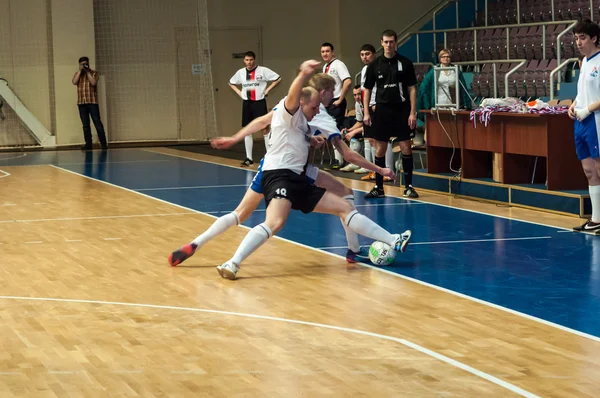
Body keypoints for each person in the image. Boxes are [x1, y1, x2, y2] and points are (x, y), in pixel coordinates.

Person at [168, 73, 397, 267]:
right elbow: (347, 154)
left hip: (269, 165)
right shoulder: (321, 115)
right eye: (333, 91)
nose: (335, 96)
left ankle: (197, 243)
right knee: (339, 197)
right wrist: (380, 169)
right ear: (323, 93)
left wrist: (235, 138)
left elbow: (261, 122)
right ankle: (353, 250)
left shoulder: (287, 105)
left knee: (239, 214)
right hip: (294, 171)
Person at [214, 60, 411, 280]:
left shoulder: (305, 118)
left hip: (300, 175)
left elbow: (266, 122)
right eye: (315, 107)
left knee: (345, 204)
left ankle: (390, 240)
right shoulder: (292, 110)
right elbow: (293, 98)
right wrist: (302, 73)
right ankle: (232, 263)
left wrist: (311, 138)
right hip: (280, 175)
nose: (318, 110)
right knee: (274, 222)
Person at [363, 29, 419, 199]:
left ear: (396, 43)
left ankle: (408, 186)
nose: (388, 45)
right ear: (381, 43)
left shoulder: (405, 63)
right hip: (382, 110)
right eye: (386, 42)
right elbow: (367, 89)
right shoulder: (374, 65)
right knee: (380, 149)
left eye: (391, 42)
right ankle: (378, 187)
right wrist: (366, 112)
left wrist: (412, 112)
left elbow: (412, 88)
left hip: (402, 110)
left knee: (406, 147)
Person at [568, 19, 600, 234]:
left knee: (599, 168)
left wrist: (588, 109)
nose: (578, 42)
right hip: (581, 122)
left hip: (596, 120)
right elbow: (582, 91)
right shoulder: (584, 62)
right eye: (576, 38)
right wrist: (574, 104)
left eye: (582, 38)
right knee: (589, 171)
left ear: (594, 38)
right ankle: (596, 219)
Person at [229, 51, 281, 166]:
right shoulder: (241, 73)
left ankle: (269, 156)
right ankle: (249, 158)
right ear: (244, 61)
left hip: (259, 102)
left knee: (265, 128)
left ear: (254, 60)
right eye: (247, 60)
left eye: (251, 60)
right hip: (247, 103)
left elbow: (277, 78)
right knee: (248, 130)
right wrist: (239, 92)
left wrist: (267, 90)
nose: (249, 62)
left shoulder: (262, 70)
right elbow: (231, 83)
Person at [321, 42, 352, 169]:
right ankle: (337, 159)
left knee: (336, 130)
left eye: (327, 51)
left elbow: (348, 81)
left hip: (336, 102)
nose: (325, 54)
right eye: (322, 52)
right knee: (330, 130)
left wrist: (340, 99)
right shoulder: (325, 67)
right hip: (328, 102)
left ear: (332, 52)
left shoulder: (339, 64)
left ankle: (340, 160)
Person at [417, 49, 471, 113]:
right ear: (440, 59)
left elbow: (463, 88)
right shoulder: (434, 70)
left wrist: (466, 104)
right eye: (443, 57)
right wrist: (427, 104)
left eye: (448, 57)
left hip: (454, 105)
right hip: (439, 103)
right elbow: (424, 86)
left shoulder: (456, 71)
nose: (446, 58)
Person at [72, 56, 108, 151]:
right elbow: (74, 82)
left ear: (88, 63)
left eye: (85, 64)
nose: (84, 66)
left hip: (92, 102)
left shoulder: (94, 73)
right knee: (85, 125)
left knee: (97, 123)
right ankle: (88, 144)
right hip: (81, 103)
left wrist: (87, 72)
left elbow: (93, 83)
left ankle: (103, 143)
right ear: (79, 65)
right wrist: (80, 71)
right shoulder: (77, 74)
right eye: (82, 64)